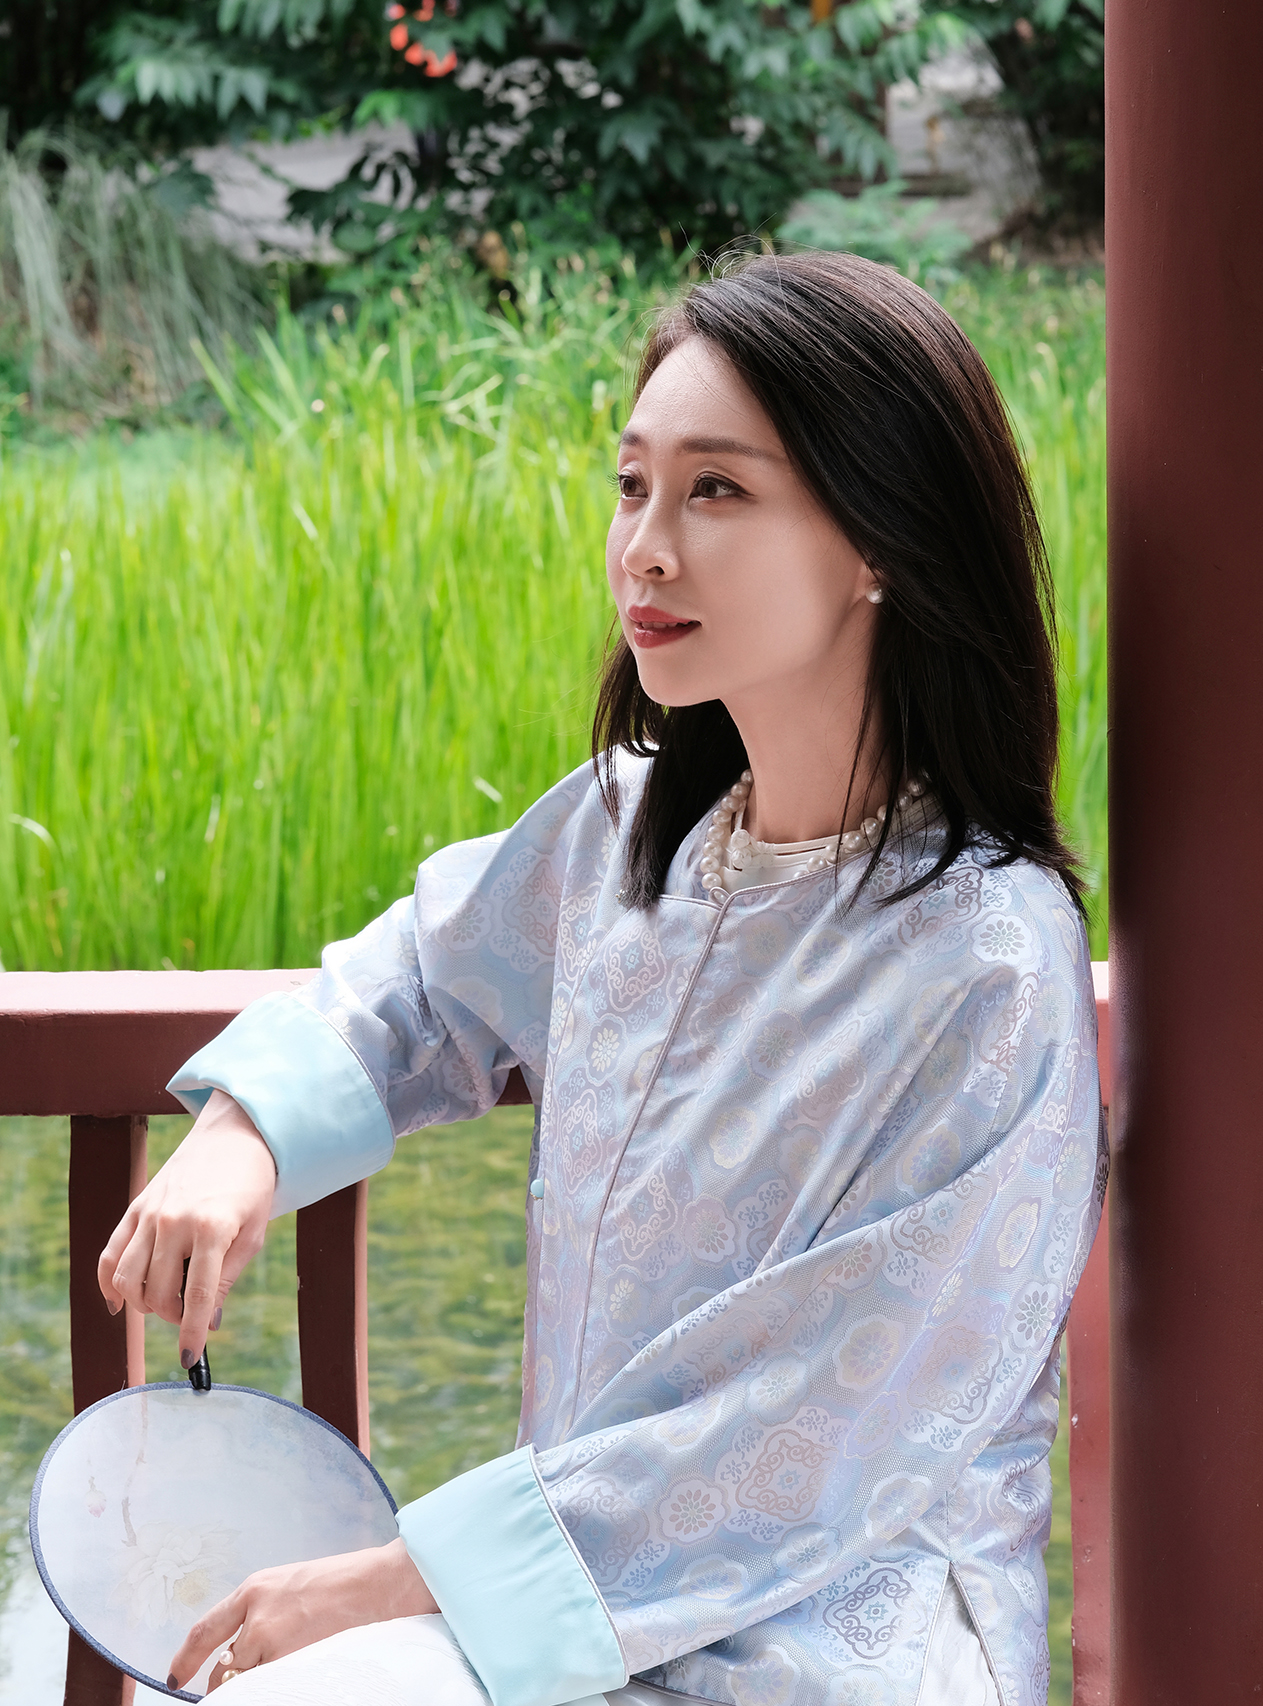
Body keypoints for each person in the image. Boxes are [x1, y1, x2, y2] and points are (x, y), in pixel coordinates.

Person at [98, 252, 1105, 1706]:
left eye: (718, 490)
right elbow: (423, 976)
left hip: (841, 1636)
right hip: (569, 1613)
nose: (646, 547)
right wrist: (242, 1133)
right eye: (634, 486)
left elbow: (815, 1421)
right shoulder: (633, 837)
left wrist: (402, 1579)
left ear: (880, 539)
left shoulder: (986, 951)